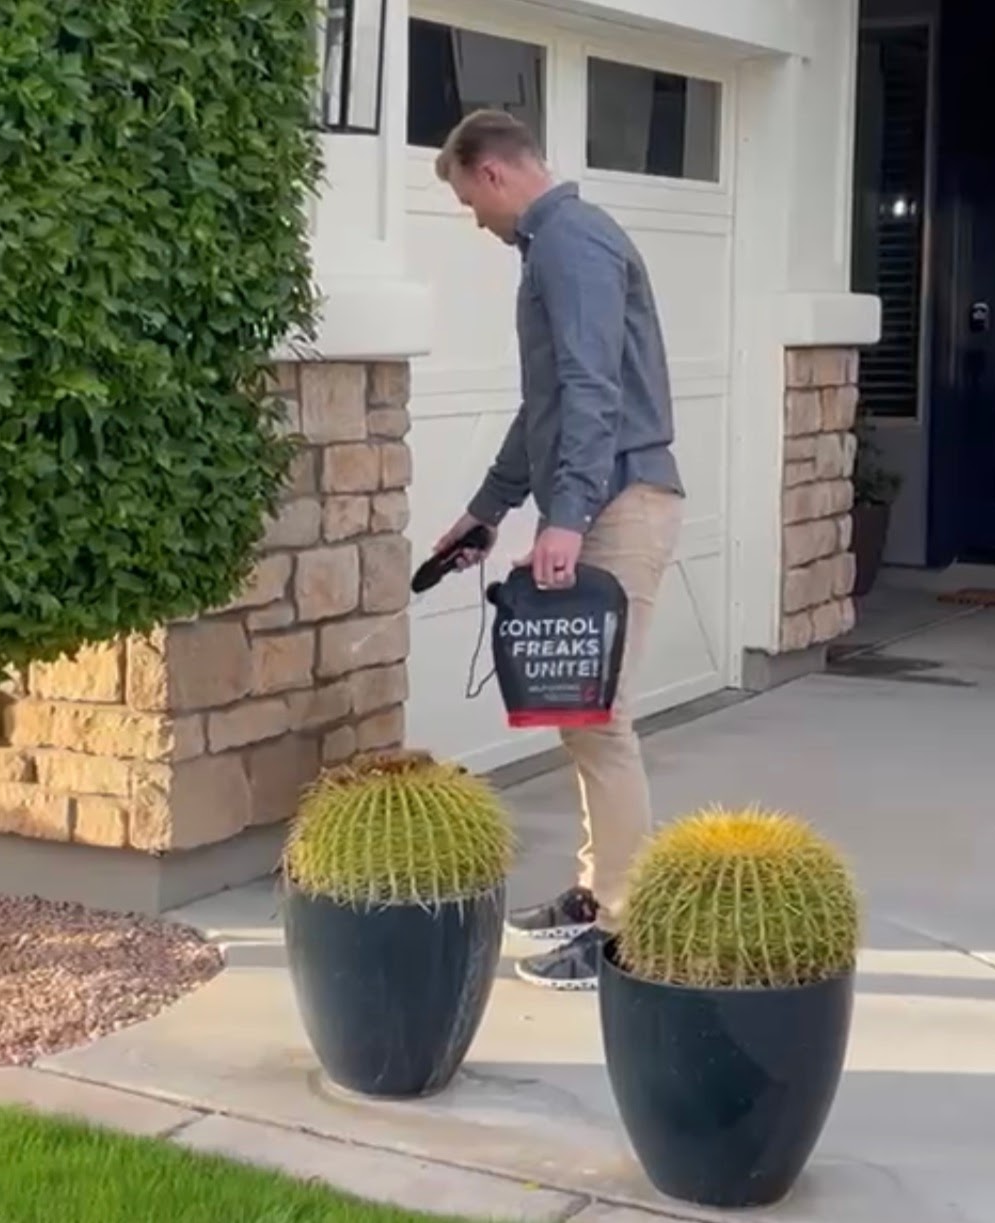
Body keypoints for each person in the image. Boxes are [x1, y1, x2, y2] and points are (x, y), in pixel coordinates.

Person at [431, 109, 685, 990]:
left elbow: (590, 390)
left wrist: (567, 513)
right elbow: (543, 403)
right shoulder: (558, 243)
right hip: (602, 493)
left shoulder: (569, 242)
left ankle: (623, 931)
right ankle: (594, 891)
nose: (478, 221)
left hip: (618, 500)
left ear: (494, 174)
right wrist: (486, 509)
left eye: (472, 204)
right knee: (581, 715)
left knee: (600, 718)